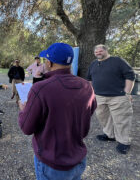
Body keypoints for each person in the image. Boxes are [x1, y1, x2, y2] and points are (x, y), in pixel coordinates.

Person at [18, 43, 97, 180]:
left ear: (49, 63)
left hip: (52, 163)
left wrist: (23, 110)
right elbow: (89, 110)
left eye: (45, 60)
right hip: (78, 157)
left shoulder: (40, 88)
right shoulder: (86, 86)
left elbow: (26, 127)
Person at [87, 44, 135, 154]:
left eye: (100, 51)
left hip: (118, 96)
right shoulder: (93, 64)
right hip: (99, 97)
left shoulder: (117, 61)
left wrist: (127, 92)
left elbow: (130, 75)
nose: (98, 53)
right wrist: (91, 93)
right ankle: (110, 135)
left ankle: (124, 141)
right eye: (96, 51)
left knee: (121, 120)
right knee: (103, 117)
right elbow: (89, 79)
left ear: (106, 51)